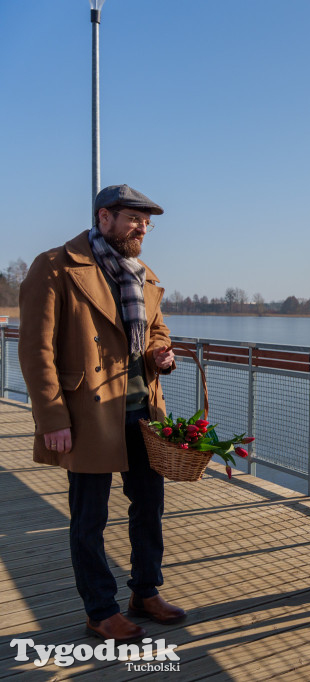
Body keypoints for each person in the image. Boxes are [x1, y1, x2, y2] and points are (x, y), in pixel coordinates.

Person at [19, 184, 184, 644]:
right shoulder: (54, 267)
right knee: (89, 517)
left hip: (142, 411)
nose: (143, 228)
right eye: (135, 219)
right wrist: (52, 419)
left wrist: (159, 354)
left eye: (147, 222)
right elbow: (36, 351)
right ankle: (100, 610)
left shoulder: (143, 274)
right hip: (87, 413)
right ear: (104, 216)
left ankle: (145, 592)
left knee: (149, 507)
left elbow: (156, 330)